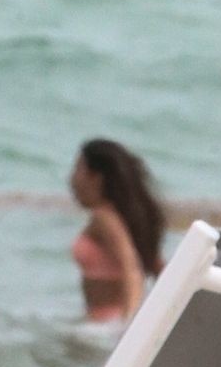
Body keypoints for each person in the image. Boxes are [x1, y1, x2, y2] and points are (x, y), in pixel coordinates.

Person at [68, 138, 165, 324]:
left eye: (78, 169)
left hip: (106, 324)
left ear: (96, 178)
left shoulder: (104, 217)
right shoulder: (125, 219)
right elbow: (159, 270)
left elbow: (132, 269)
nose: (71, 179)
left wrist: (129, 324)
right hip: (107, 323)